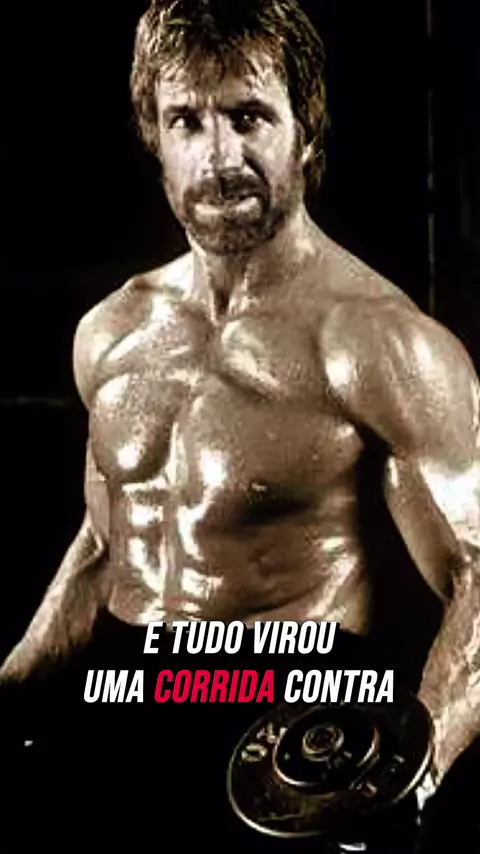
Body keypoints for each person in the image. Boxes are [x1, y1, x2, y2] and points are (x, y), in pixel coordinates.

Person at [1, 0, 479, 845]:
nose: (219, 159)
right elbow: (104, 543)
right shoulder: (111, 332)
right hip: (124, 704)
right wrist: (11, 692)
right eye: (187, 121)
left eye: (248, 117)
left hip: (287, 724)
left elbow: (479, 573)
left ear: (306, 134)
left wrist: (412, 769)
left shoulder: (379, 342)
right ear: (154, 136)